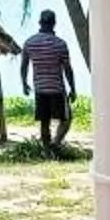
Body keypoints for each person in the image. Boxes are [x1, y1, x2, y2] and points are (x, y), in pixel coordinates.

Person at [22, 10, 77, 156]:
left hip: (40, 88)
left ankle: (47, 151)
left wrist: (24, 83)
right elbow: (67, 69)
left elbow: (24, 66)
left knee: (44, 121)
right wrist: (73, 88)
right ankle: (55, 144)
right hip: (57, 89)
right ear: (54, 23)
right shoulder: (60, 44)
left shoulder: (29, 43)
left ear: (40, 22)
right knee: (66, 119)